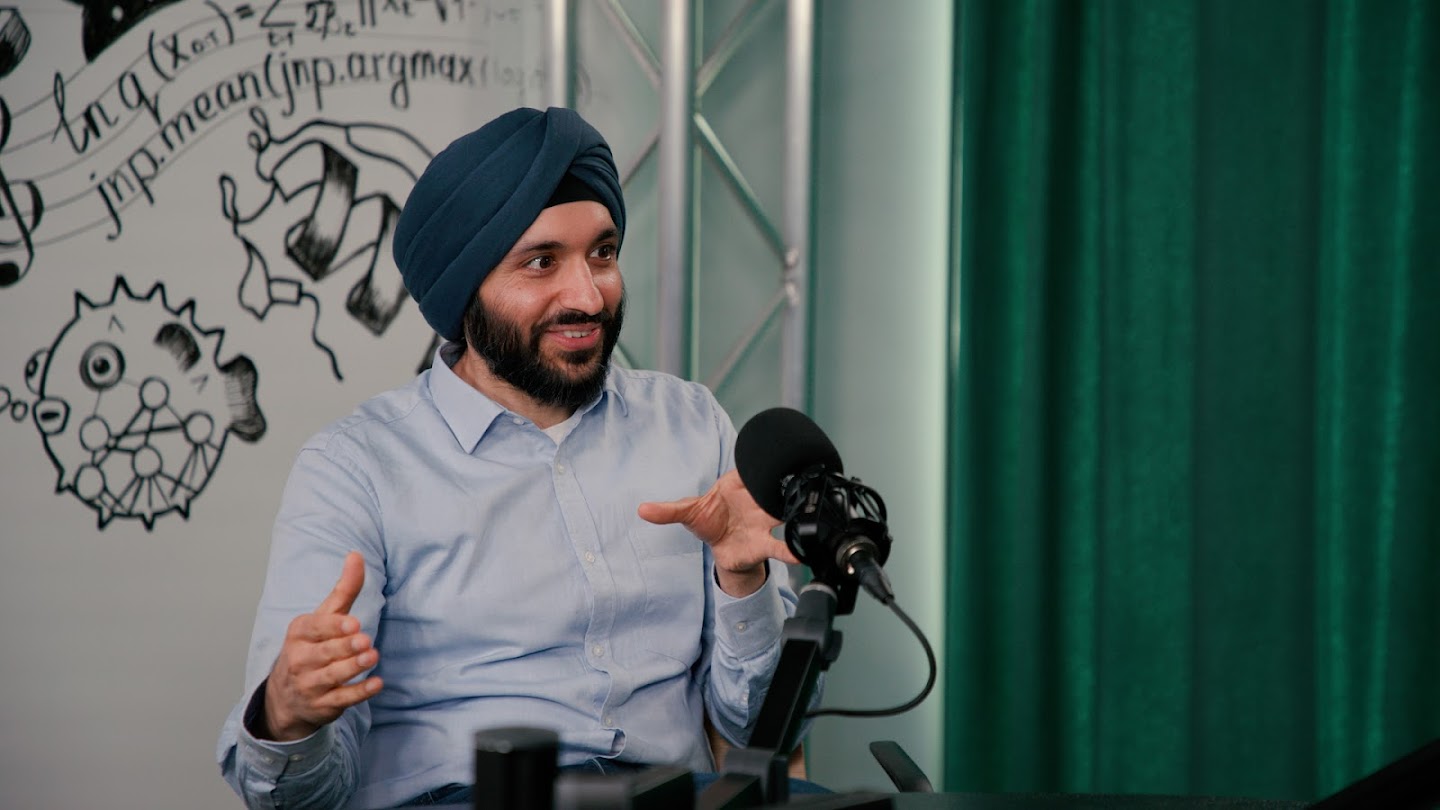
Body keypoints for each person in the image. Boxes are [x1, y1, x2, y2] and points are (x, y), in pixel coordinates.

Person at [216, 107, 820, 809]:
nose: (587, 296)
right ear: (465, 289)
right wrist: (288, 717)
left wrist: (742, 582)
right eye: (541, 263)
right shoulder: (356, 469)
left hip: (670, 798)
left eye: (603, 253)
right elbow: (295, 798)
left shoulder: (690, 424)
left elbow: (764, 732)